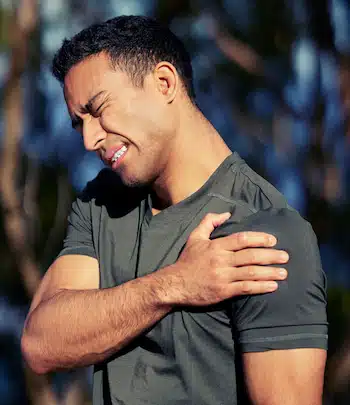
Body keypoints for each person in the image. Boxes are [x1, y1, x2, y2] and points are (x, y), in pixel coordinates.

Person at [21, 15, 328, 405]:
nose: (89, 139)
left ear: (164, 83)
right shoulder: (102, 203)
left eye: (97, 110)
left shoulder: (266, 234)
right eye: (78, 123)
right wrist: (176, 285)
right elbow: (40, 343)